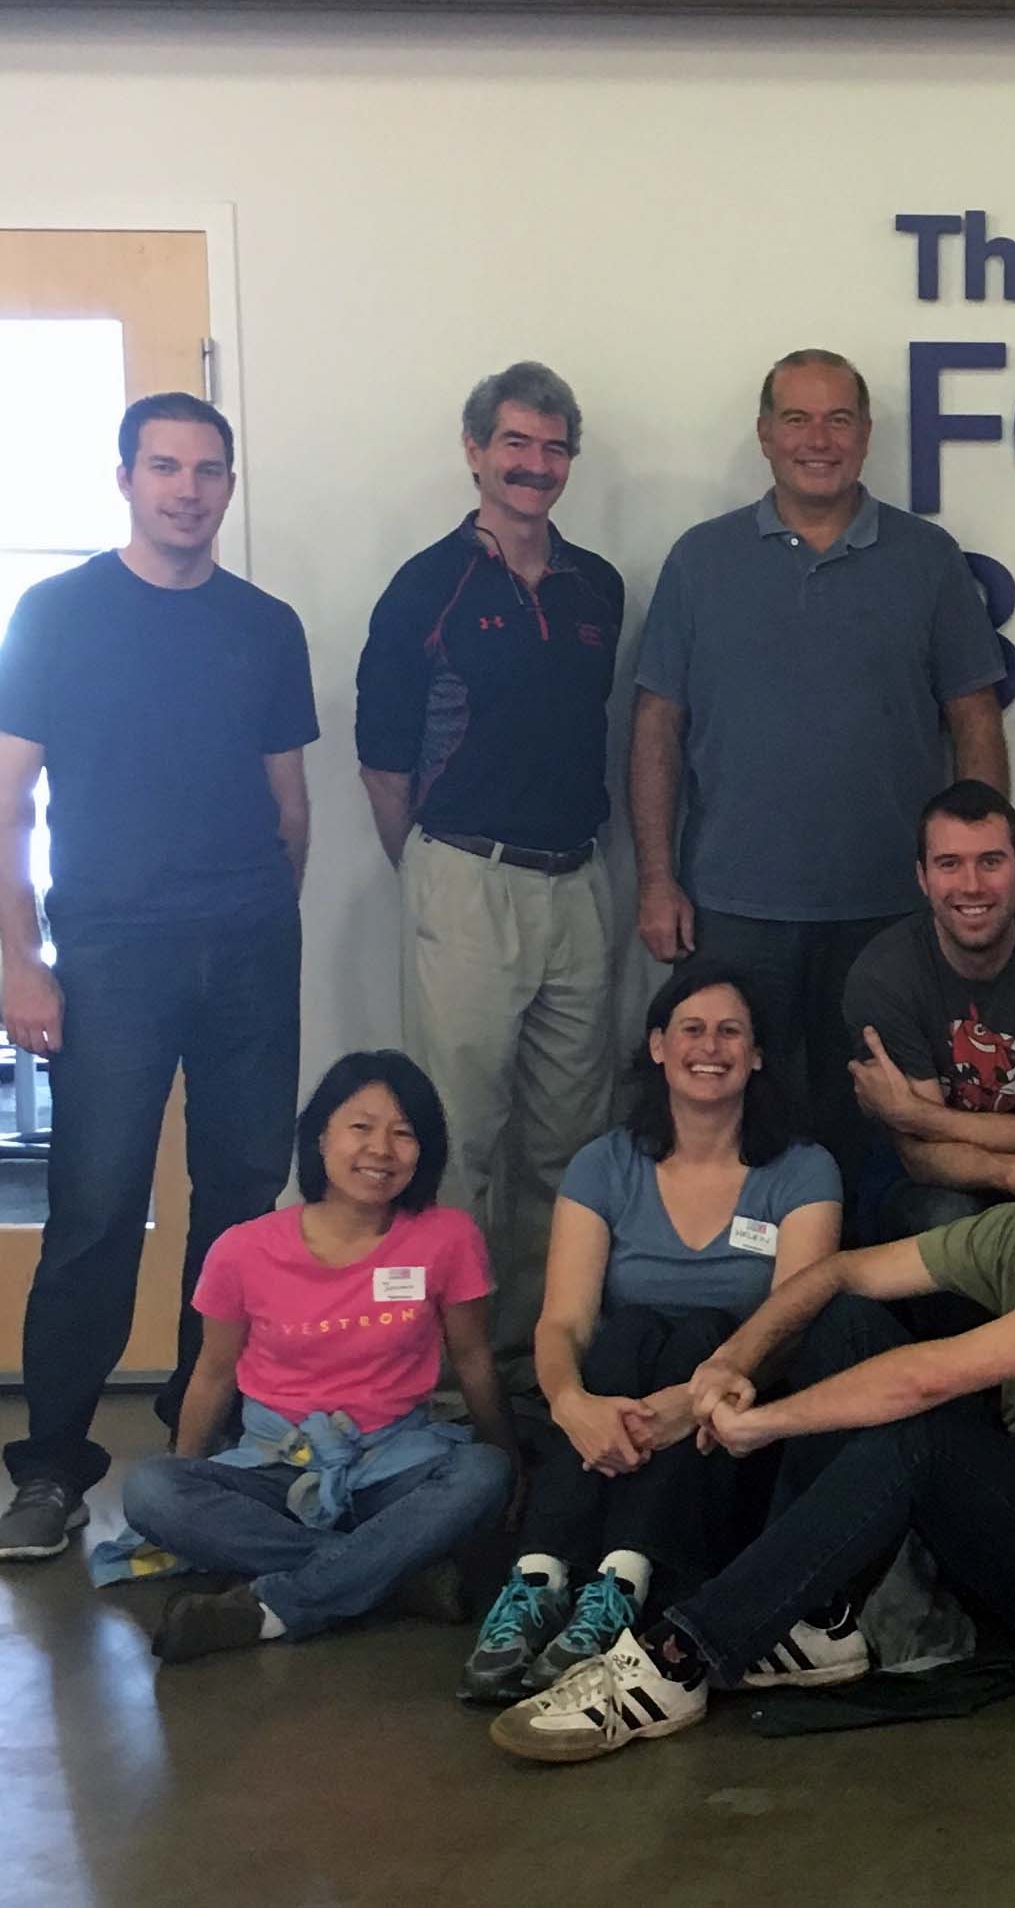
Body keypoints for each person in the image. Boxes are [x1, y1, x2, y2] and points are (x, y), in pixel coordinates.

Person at [488, 1044, 1015, 1763]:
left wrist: (762, 1422)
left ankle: (677, 1657)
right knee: (837, 1318)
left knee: (919, 1436)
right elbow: (840, 1271)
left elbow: (931, 1378)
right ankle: (819, 1618)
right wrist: (726, 1367)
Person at [0, 392, 318, 1564]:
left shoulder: (263, 624)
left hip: (244, 944)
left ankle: (202, 1438)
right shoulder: (57, 614)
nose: (188, 488)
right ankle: (49, 1471)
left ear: (230, 485)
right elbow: (7, 801)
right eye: (165, 467)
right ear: (126, 478)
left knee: (240, 1207)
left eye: (208, 469)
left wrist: (258, 918)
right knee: (93, 1210)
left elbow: (291, 804)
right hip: (111, 952)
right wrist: (19, 959)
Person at [628, 348, 1009, 1200]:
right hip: (734, 903)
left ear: (867, 436)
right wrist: (657, 879)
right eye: (796, 419)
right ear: (764, 435)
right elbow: (657, 724)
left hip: (888, 908)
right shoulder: (701, 560)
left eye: (839, 419)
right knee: (733, 1116)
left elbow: (974, 719)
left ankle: (856, 1312)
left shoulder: (928, 558)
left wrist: (975, 873)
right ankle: (741, 1300)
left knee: (876, 1128)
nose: (818, 439)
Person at [457, 964, 842, 1703]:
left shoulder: (802, 1169)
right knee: (623, 1329)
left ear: (758, 1054)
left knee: (703, 1328)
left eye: (731, 1031)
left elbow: (790, 1326)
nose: (711, 1046)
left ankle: (619, 1583)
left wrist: (687, 1404)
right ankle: (538, 1580)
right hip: (620, 1410)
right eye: (691, 1029)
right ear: (658, 1046)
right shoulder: (605, 1165)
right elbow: (562, 1321)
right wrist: (572, 1403)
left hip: (731, 1424)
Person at [355, 361, 624, 1393]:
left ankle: (534, 1362)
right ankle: (450, 1377)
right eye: (515, 443)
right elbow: (383, 764)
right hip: (465, 878)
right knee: (460, 1141)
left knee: (569, 1144)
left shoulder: (597, 585)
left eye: (554, 447)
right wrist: (433, 872)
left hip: (579, 883)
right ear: (475, 451)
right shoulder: (427, 587)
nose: (535, 465)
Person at [119, 1053, 517, 1661]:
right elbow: (214, 1373)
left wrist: (509, 1465)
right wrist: (189, 1481)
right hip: (277, 1463)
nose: (381, 1149)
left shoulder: (447, 1236)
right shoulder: (242, 1248)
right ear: (321, 1136)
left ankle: (274, 1603)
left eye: (404, 1132)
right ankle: (391, 1579)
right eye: (361, 1126)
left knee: (482, 1473)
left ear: (423, 1151)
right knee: (151, 1489)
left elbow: (473, 1359)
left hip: (395, 1462)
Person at [843, 781, 1015, 1238]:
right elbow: (922, 1154)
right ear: (922, 877)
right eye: (950, 864)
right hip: (925, 1187)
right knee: (952, 1220)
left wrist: (922, 1115)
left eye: (991, 862)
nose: (972, 885)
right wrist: (1012, 1173)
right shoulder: (883, 977)